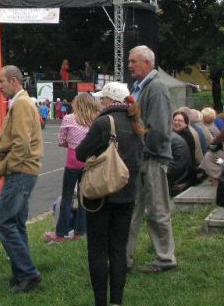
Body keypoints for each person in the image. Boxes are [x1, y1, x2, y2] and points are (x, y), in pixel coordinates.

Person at [76, 82, 144, 306]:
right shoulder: (135, 122)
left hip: (102, 193)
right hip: (127, 193)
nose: (98, 102)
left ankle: (100, 302)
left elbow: (81, 152)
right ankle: (117, 300)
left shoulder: (104, 122)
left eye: (101, 99)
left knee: (97, 249)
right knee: (118, 248)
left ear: (108, 100)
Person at [0, 64, 44, 293]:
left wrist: (9, 167)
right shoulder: (23, 102)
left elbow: (21, 141)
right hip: (25, 170)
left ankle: (28, 273)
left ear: (14, 81)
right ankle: (21, 273)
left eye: (1, 81)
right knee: (17, 224)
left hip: (20, 171)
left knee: (4, 224)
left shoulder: (21, 103)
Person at [126, 45, 177, 273]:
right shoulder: (142, 87)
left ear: (147, 63)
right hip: (141, 159)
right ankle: (123, 258)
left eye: (133, 61)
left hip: (151, 159)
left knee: (156, 210)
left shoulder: (155, 88)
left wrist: (142, 150)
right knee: (132, 209)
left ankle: (166, 258)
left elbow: (157, 130)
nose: (129, 65)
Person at [43, 92, 99, 243]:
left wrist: (72, 144)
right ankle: (80, 232)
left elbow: (61, 141)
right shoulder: (95, 120)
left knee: (67, 198)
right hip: (88, 162)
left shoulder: (69, 118)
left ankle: (60, 233)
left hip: (72, 161)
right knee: (83, 198)